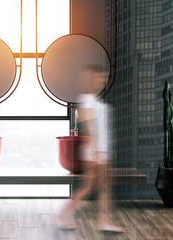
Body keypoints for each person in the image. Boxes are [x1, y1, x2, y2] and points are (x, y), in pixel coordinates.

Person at [56, 64, 124, 232]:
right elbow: (87, 127)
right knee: (90, 186)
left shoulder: (95, 99)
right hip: (96, 151)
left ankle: (103, 221)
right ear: (91, 78)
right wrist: (95, 151)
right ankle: (64, 214)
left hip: (103, 150)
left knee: (103, 186)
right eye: (100, 76)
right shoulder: (86, 100)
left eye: (104, 77)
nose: (103, 80)